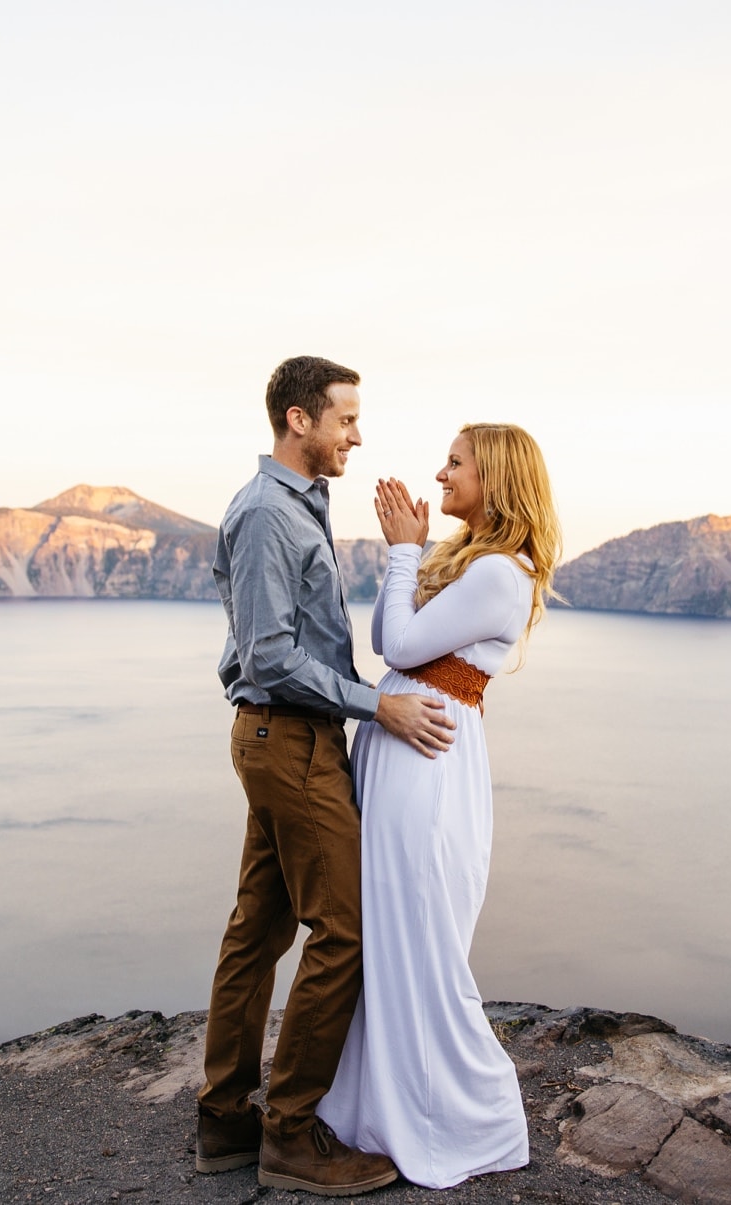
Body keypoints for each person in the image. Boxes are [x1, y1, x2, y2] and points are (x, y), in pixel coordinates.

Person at [197, 355, 458, 1197]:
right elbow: (271, 655)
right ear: (298, 420)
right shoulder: (273, 512)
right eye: (345, 417)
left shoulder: (287, 506)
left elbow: (251, 638)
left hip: (278, 737)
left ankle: (225, 1119)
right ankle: (291, 1132)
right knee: (343, 931)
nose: (357, 433)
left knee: (258, 927)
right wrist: (374, 707)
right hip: (293, 740)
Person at [317, 423, 561, 1189]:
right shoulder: (472, 560)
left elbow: (396, 644)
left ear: (496, 476)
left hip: (427, 769)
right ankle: (382, 1108)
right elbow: (397, 640)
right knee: (389, 934)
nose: (441, 472)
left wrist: (400, 550)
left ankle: (476, 1117)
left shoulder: (499, 572)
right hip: (404, 756)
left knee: (420, 939)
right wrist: (412, 553)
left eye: (456, 462)